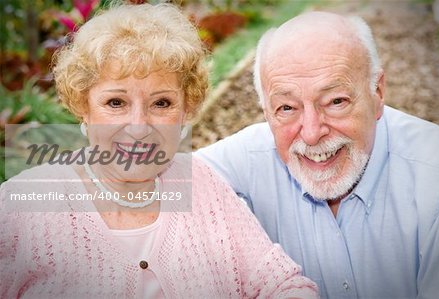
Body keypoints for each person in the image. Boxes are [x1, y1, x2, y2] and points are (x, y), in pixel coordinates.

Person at [0, 3, 319, 298]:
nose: (139, 127)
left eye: (161, 103)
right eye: (116, 103)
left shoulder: (201, 183)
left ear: (185, 108)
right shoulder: (24, 206)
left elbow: (282, 284)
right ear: (84, 106)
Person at [196, 11, 439, 299]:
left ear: (377, 93)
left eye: (335, 101)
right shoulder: (249, 159)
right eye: (287, 108)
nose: (312, 133)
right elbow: (149, 191)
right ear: (266, 111)